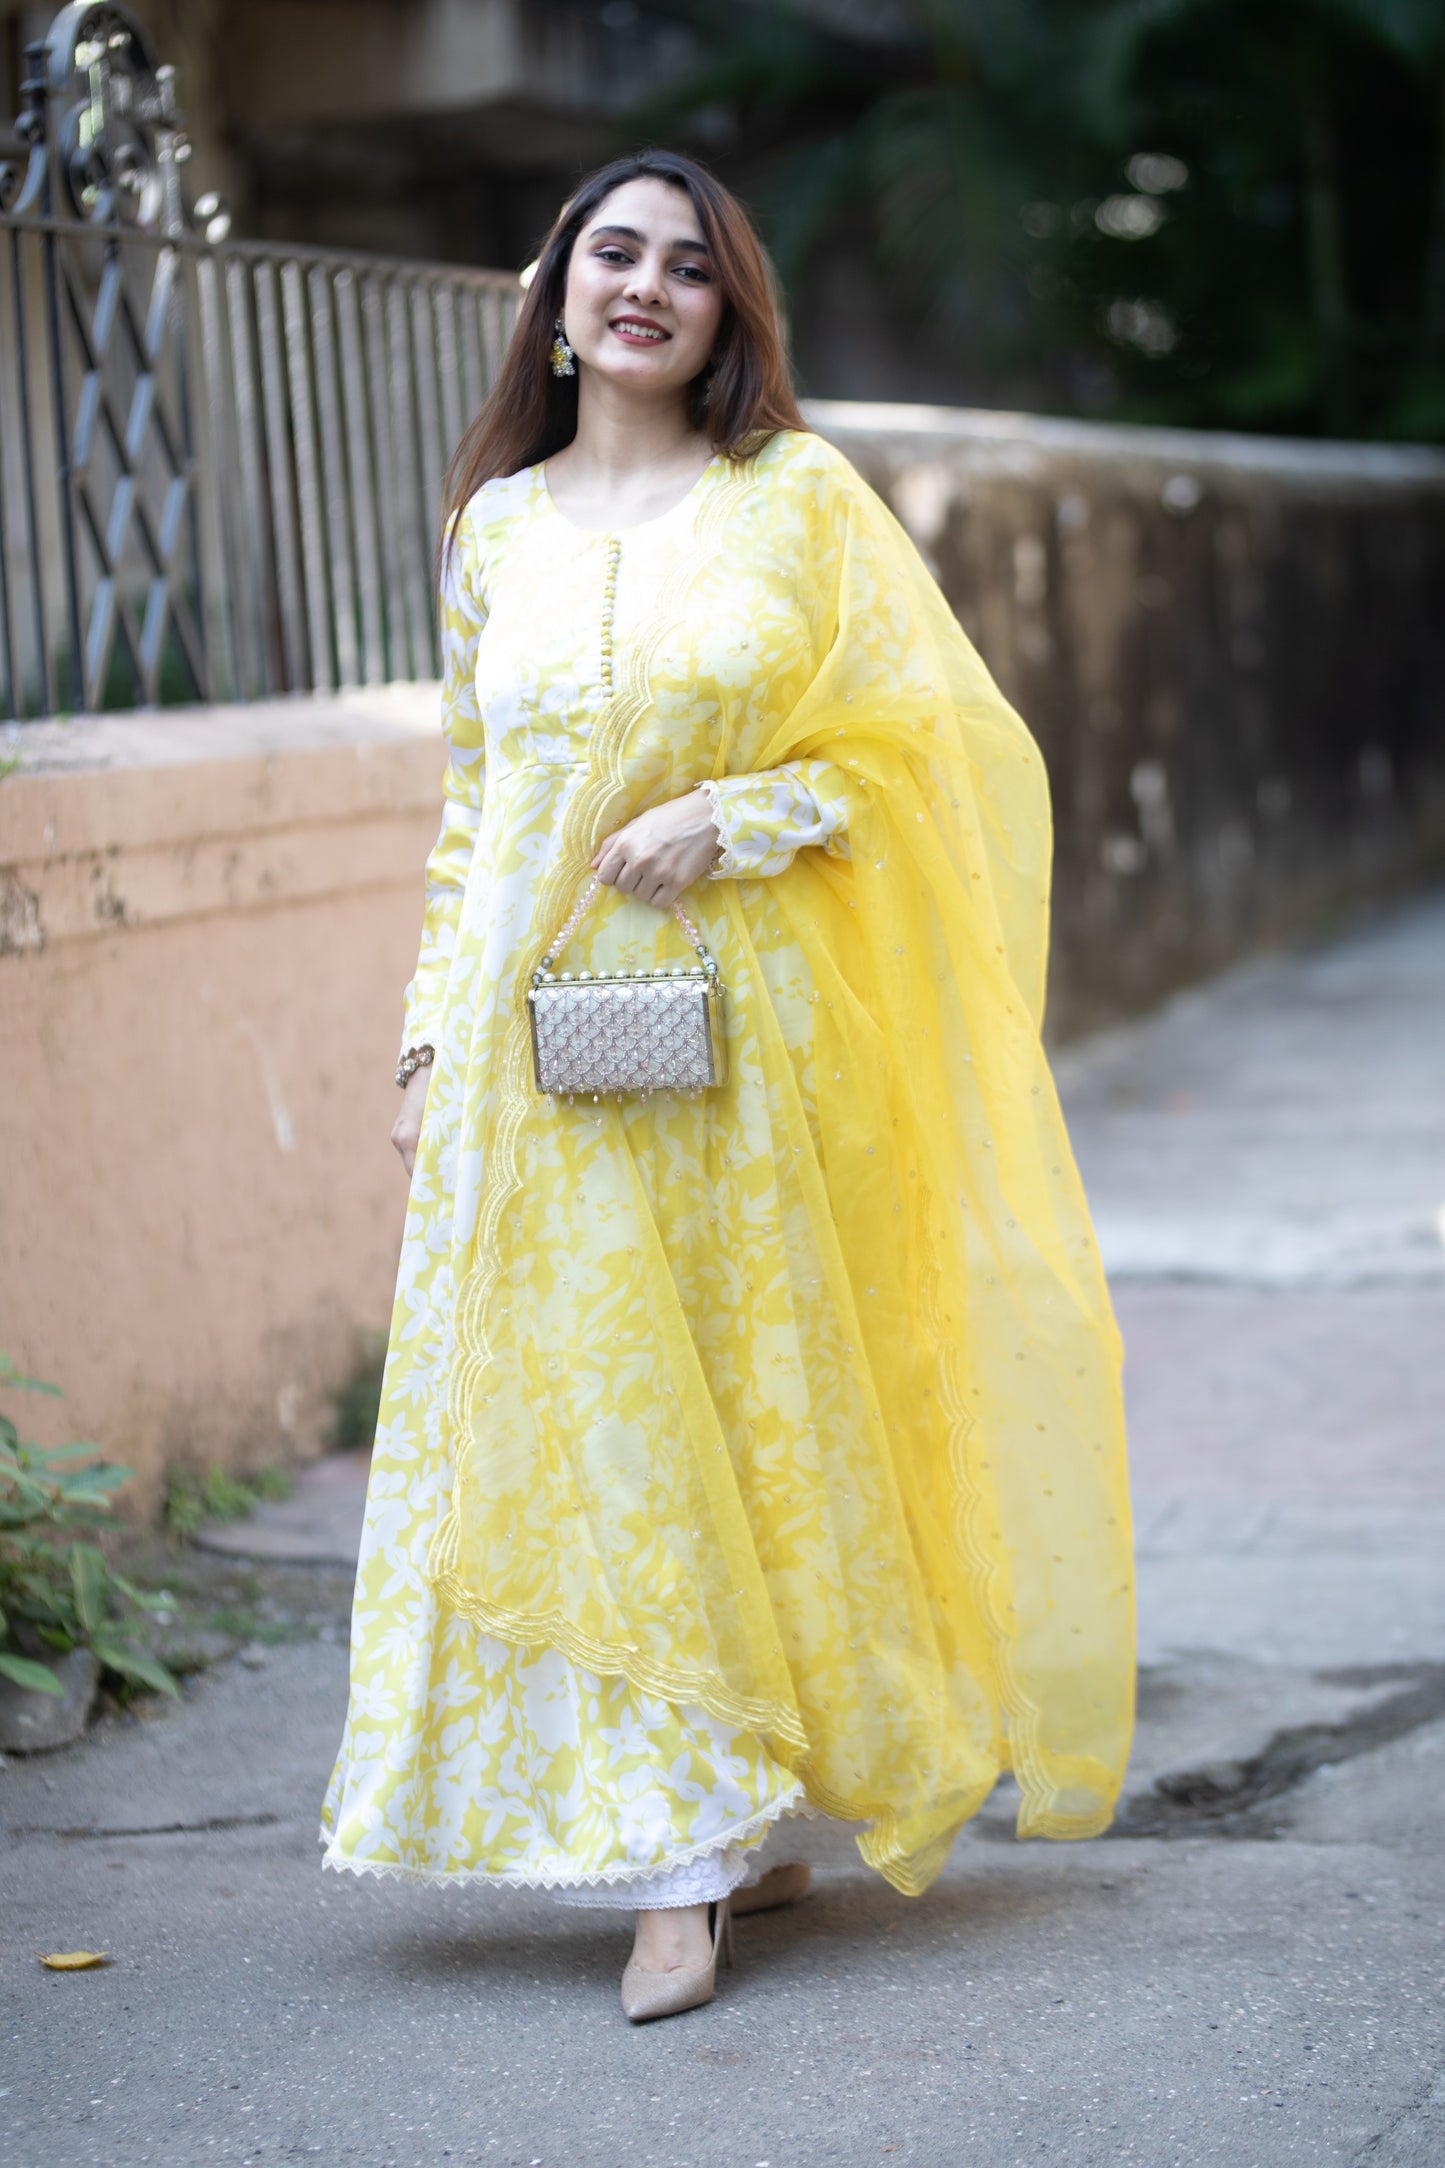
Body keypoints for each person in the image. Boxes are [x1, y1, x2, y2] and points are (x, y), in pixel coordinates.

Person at [322, 148, 1134, 2024]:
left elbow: (930, 756)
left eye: (688, 267)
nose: (645, 287)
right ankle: (677, 1851)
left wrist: (738, 809)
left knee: (738, 1421)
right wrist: (427, 1042)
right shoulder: (497, 531)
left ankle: (717, 1841)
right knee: (592, 1440)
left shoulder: (793, 504)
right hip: (534, 1065)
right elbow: (473, 819)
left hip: (741, 1056)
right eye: (613, 253)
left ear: (726, 311)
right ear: (555, 289)